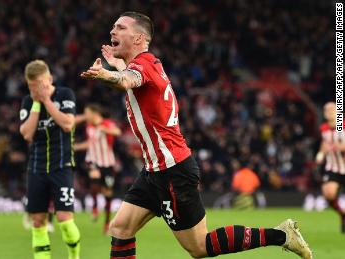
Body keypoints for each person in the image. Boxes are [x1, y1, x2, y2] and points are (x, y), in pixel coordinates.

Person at [81, 11, 312, 259]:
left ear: (138, 38)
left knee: (199, 247)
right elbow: (130, 76)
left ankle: (282, 235)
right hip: (153, 170)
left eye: (120, 27)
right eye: (113, 27)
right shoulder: (149, 64)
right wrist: (116, 67)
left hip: (172, 171)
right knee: (121, 228)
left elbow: (128, 80)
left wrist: (108, 74)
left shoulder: (143, 65)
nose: (112, 31)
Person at [19, 60, 80, 259]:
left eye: (38, 84)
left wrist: (46, 101)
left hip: (61, 166)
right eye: (31, 86)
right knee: (37, 221)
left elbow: (67, 124)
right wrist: (37, 102)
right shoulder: (28, 102)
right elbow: (27, 134)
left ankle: (74, 255)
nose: (34, 89)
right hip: (36, 168)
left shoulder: (65, 94)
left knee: (64, 219)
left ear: (49, 79)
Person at [74, 104, 122, 233]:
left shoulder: (106, 123)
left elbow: (117, 131)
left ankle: (107, 223)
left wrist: (105, 130)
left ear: (95, 113)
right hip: (93, 160)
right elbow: (91, 143)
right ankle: (95, 207)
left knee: (108, 194)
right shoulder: (89, 127)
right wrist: (77, 147)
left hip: (107, 163)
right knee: (94, 181)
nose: (86, 116)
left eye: (87, 113)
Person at [316, 102, 345, 233]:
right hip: (333, 167)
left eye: (331, 109)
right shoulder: (324, 128)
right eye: (326, 109)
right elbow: (325, 141)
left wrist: (341, 147)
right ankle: (343, 215)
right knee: (328, 193)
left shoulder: (341, 124)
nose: (327, 111)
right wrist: (321, 153)